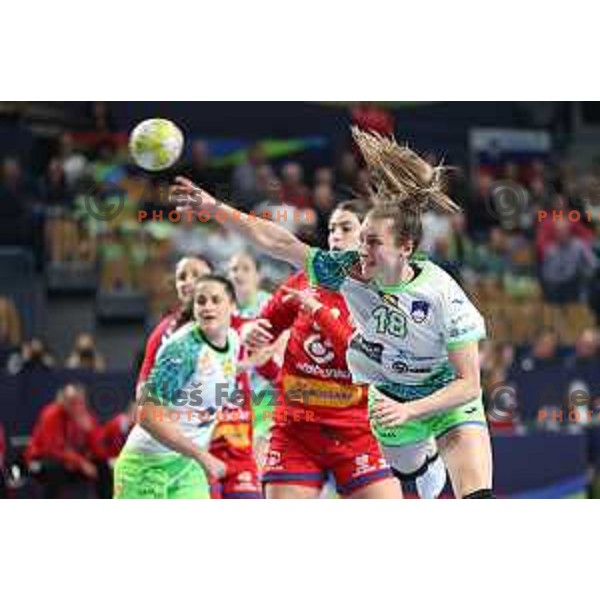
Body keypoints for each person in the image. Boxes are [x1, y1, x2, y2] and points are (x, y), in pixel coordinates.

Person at [173, 127, 493, 499]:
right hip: (384, 401)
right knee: (409, 469)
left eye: (372, 242)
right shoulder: (344, 270)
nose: (361, 251)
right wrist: (215, 209)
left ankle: (433, 454)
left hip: (444, 395)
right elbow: (279, 241)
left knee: (476, 498)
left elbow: (469, 383)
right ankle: (423, 460)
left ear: (406, 247)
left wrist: (416, 410)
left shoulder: (442, 295)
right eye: (360, 241)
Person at [246, 201, 446, 499]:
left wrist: (319, 313)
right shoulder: (304, 280)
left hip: (359, 430)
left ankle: (423, 451)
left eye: (346, 228)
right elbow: (261, 334)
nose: (335, 236)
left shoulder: (386, 295)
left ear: (368, 236)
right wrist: (251, 334)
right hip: (297, 430)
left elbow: (366, 357)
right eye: (331, 229)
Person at [114, 275, 239, 499]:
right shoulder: (183, 351)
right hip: (146, 466)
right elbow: (146, 417)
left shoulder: (233, 341)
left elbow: (214, 377)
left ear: (233, 307)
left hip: (186, 466)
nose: (207, 306)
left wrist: (254, 363)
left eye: (215, 300)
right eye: (201, 301)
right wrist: (203, 456)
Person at [25, 383, 111, 498]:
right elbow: (52, 449)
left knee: (102, 466)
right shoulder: (51, 415)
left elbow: (100, 452)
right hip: (42, 459)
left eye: (79, 401)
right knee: (55, 467)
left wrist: (91, 430)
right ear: (62, 400)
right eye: (71, 401)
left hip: (73, 461)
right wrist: (80, 463)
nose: (76, 406)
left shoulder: (85, 416)